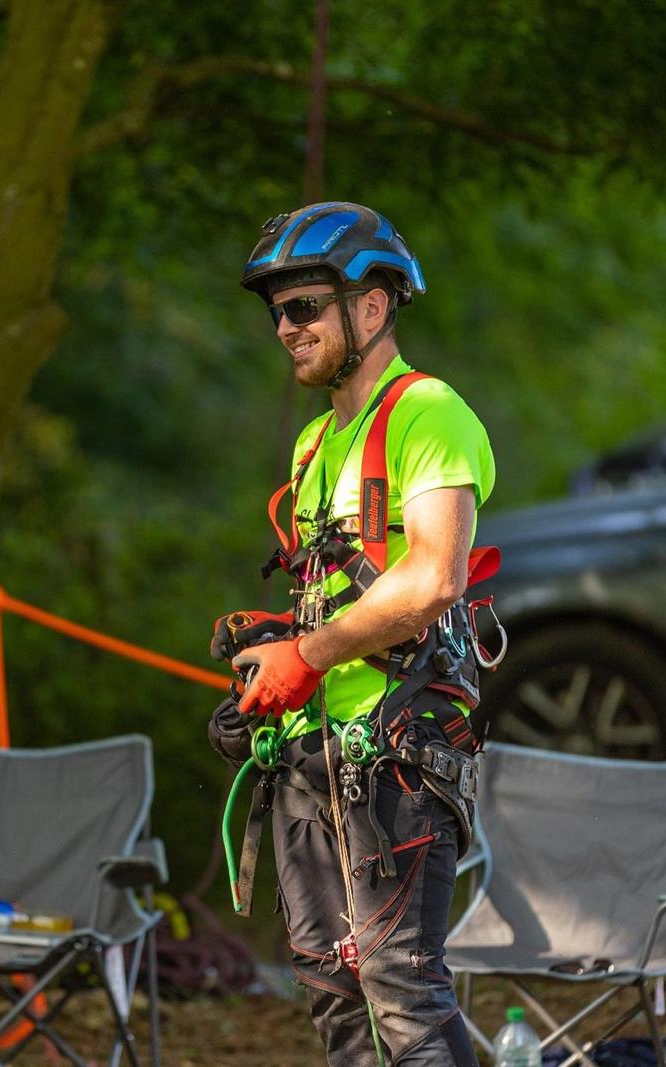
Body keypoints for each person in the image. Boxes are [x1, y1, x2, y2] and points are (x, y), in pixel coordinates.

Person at [209, 202, 498, 1065]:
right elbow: (326, 604)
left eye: (305, 307)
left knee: (401, 986)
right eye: (277, 312)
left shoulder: (429, 413)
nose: (286, 327)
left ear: (371, 306)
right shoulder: (311, 448)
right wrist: (267, 678)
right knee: (335, 996)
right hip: (309, 755)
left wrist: (307, 654)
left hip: (401, 755)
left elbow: (435, 576)